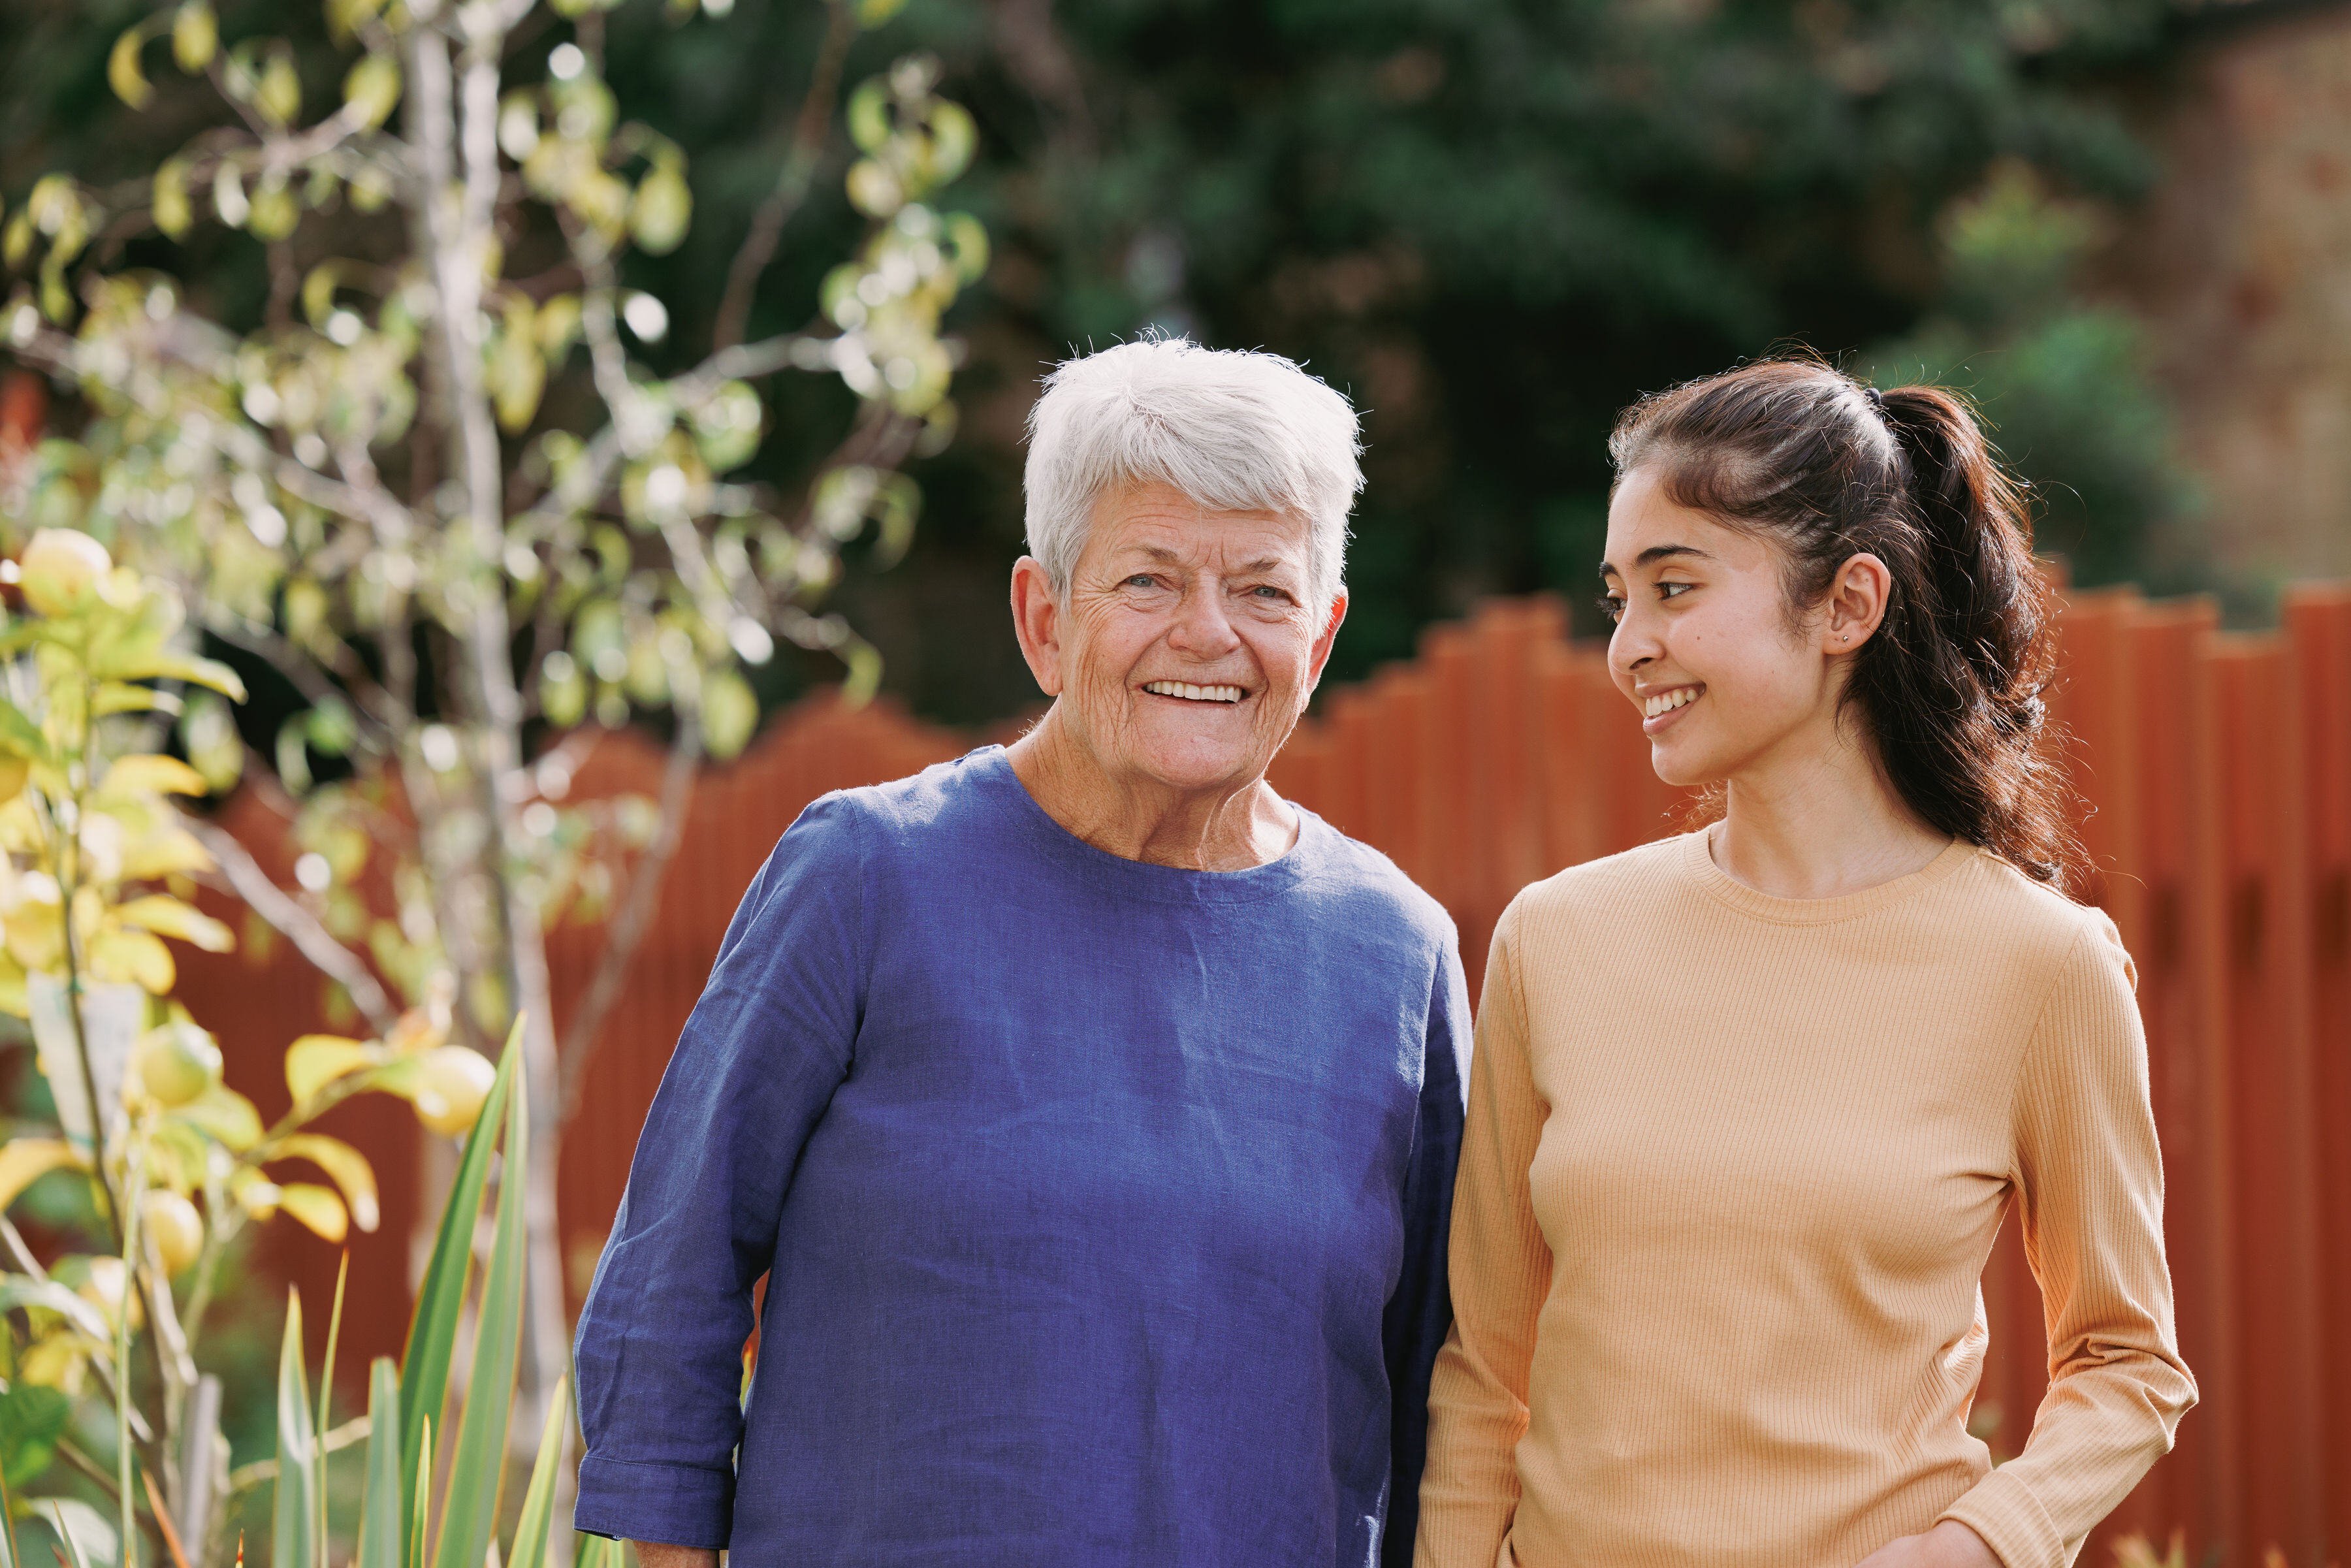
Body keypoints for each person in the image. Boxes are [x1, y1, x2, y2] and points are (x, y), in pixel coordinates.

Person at [573, 336, 1468, 1567]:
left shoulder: (1396, 954)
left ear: (1319, 638)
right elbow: (672, 1278)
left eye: (1264, 589)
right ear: (1044, 618)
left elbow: (1444, 1395)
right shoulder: (868, 877)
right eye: (1148, 580)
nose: (1208, 633)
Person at [1416, 358, 2196, 1568]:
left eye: (1674, 588)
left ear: (1848, 604)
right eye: (1619, 598)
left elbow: (2130, 1363)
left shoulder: (2040, 966)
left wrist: (1977, 1546)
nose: (1630, 646)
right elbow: (1481, 1374)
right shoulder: (1554, 941)